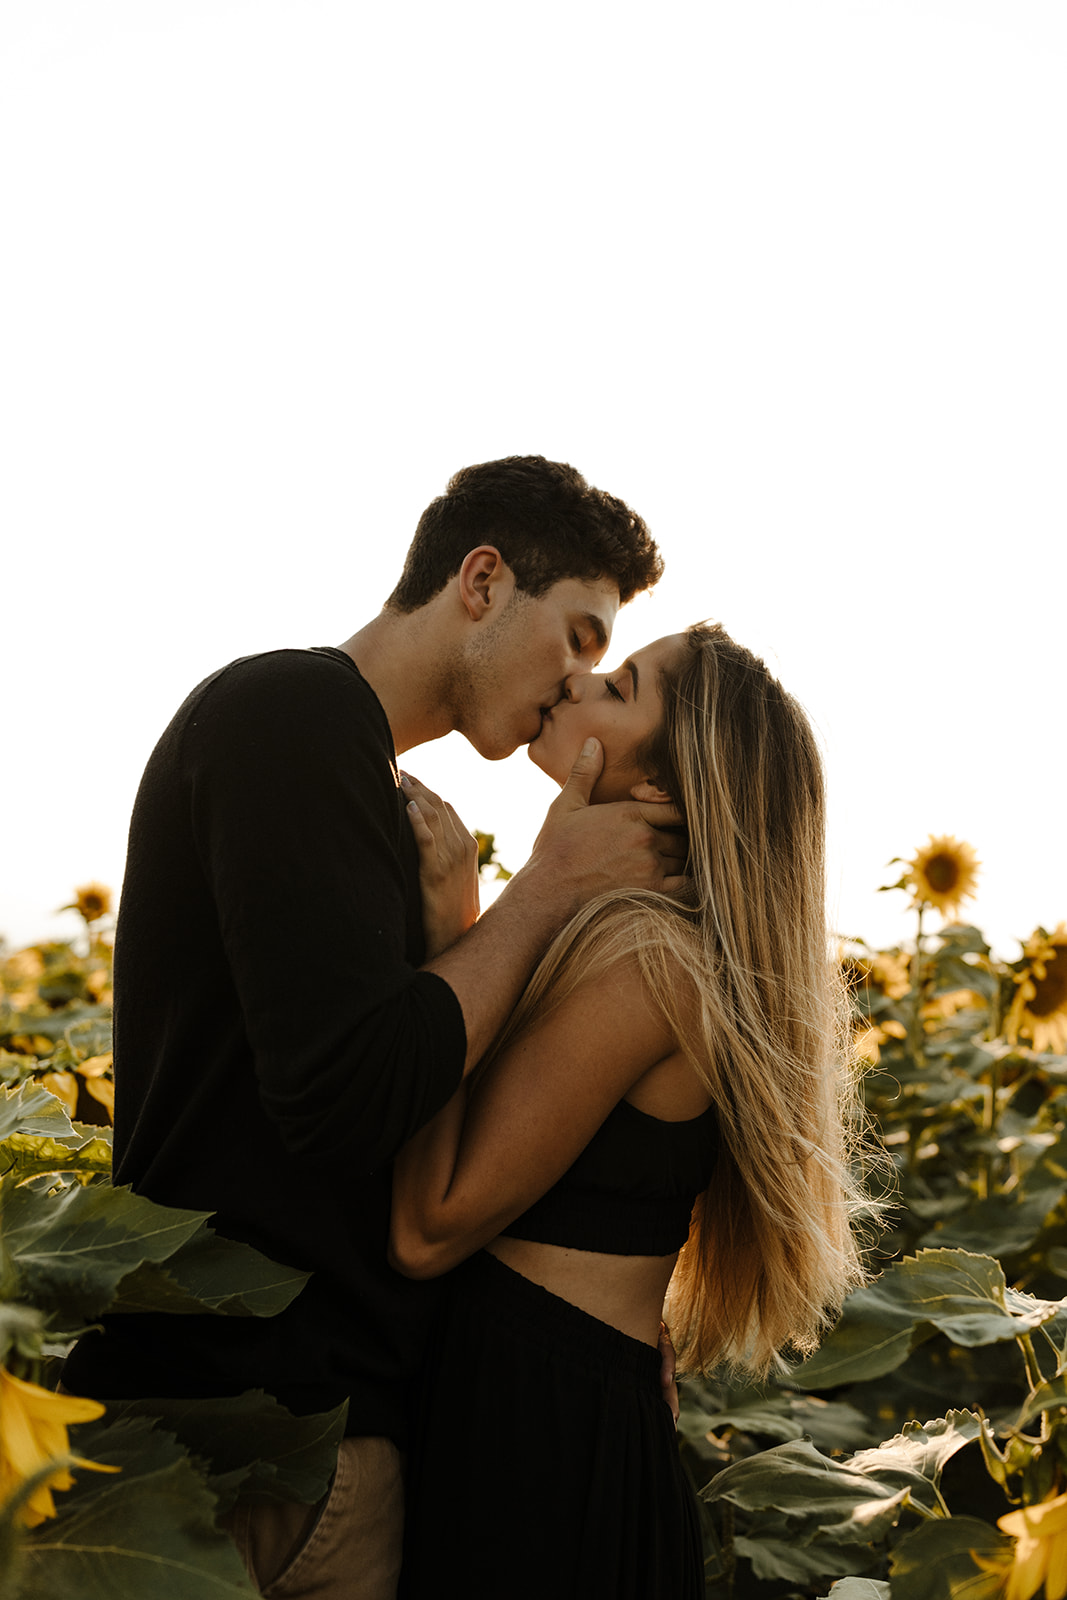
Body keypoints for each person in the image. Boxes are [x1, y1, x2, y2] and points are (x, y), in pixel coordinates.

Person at [62, 456, 688, 1599]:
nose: (573, 682)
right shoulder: (286, 717)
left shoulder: (363, 782)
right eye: (580, 635)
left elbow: (424, 1107)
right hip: (236, 1449)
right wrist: (541, 890)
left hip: (300, 1443)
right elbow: (352, 1091)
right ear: (484, 580)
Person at [390, 622, 868, 1599]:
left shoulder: (651, 960)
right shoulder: (617, 938)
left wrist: (452, 934)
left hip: (537, 1449)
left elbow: (428, 1224)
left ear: (660, 786)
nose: (572, 681)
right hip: (540, 1414)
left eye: (616, 685)